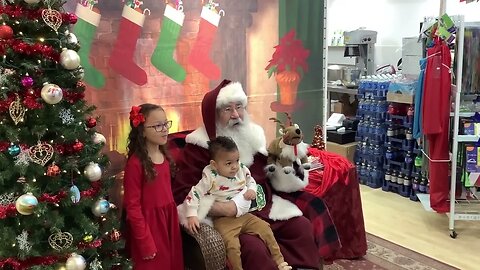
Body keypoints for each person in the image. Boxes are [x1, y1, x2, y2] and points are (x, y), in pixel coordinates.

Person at [173, 80, 340, 270]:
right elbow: (183, 193)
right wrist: (224, 208)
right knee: (254, 247)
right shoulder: (199, 147)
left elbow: (269, 173)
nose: (236, 115)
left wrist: (286, 165)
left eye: (239, 107)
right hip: (229, 218)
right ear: (214, 115)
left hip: (264, 208)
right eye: (227, 109)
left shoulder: (253, 135)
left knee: (301, 227)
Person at [182, 136, 292, 270]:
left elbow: (251, 180)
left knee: (266, 229)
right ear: (214, 164)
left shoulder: (241, 169)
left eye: (237, 160)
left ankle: (280, 262)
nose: (234, 166)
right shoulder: (209, 177)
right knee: (232, 246)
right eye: (228, 163)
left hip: (244, 216)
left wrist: (252, 189)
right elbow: (194, 194)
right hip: (223, 220)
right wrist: (192, 214)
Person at [123, 104, 183, 270]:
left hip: (168, 223)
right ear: (142, 130)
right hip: (150, 229)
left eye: (165, 124)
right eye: (157, 126)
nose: (164, 129)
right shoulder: (135, 164)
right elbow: (133, 208)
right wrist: (144, 242)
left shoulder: (165, 156)